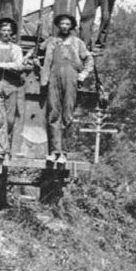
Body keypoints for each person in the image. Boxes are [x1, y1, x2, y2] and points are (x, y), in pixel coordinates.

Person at [40, 13, 93, 161]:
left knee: (67, 114)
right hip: (53, 77)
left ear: (71, 26)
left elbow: (89, 59)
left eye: (67, 24)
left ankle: (64, 152)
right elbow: (39, 51)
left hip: (71, 78)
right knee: (53, 114)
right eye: (62, 24)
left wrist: (83, 75)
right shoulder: (51, 41)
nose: (64, 26)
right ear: (58, 25)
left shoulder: (77, 43)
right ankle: (54, 151)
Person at [0, 17, 25, 161]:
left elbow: (19, 65)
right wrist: (9, 65)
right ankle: (1, 151)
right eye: (4, 30)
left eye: (9, 30)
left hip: (12, 86)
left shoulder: (16, 48)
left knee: (10, 119)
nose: (6, 33)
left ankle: (7, 148)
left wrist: (0, 64)